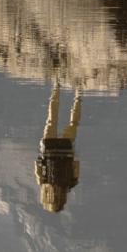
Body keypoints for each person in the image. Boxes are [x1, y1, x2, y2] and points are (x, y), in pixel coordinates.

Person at [34, 84, 82, 213]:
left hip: (66, 149)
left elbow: (77, 165)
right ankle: (56, 87)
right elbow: (37, 166)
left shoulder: (70, 184)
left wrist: (71, 156)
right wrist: (41, 155)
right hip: (49, 148)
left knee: (73, 124)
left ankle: (78, 94)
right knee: (51, 120)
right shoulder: (43, 184)